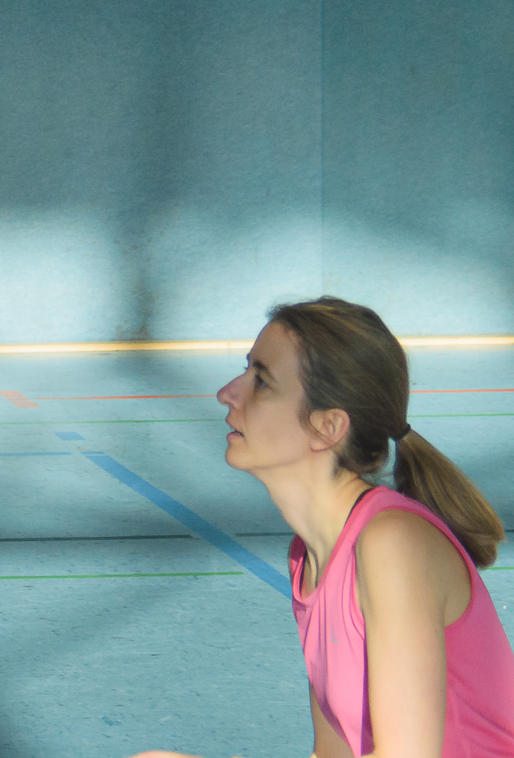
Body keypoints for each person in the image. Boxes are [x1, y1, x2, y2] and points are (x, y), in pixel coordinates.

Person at [130, 298, 514, 758]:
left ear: (327, 427)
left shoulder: (393, 543)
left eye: (262, 381)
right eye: (245, 371)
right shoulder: (309, 557)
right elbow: (333, 752)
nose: (228, 392)